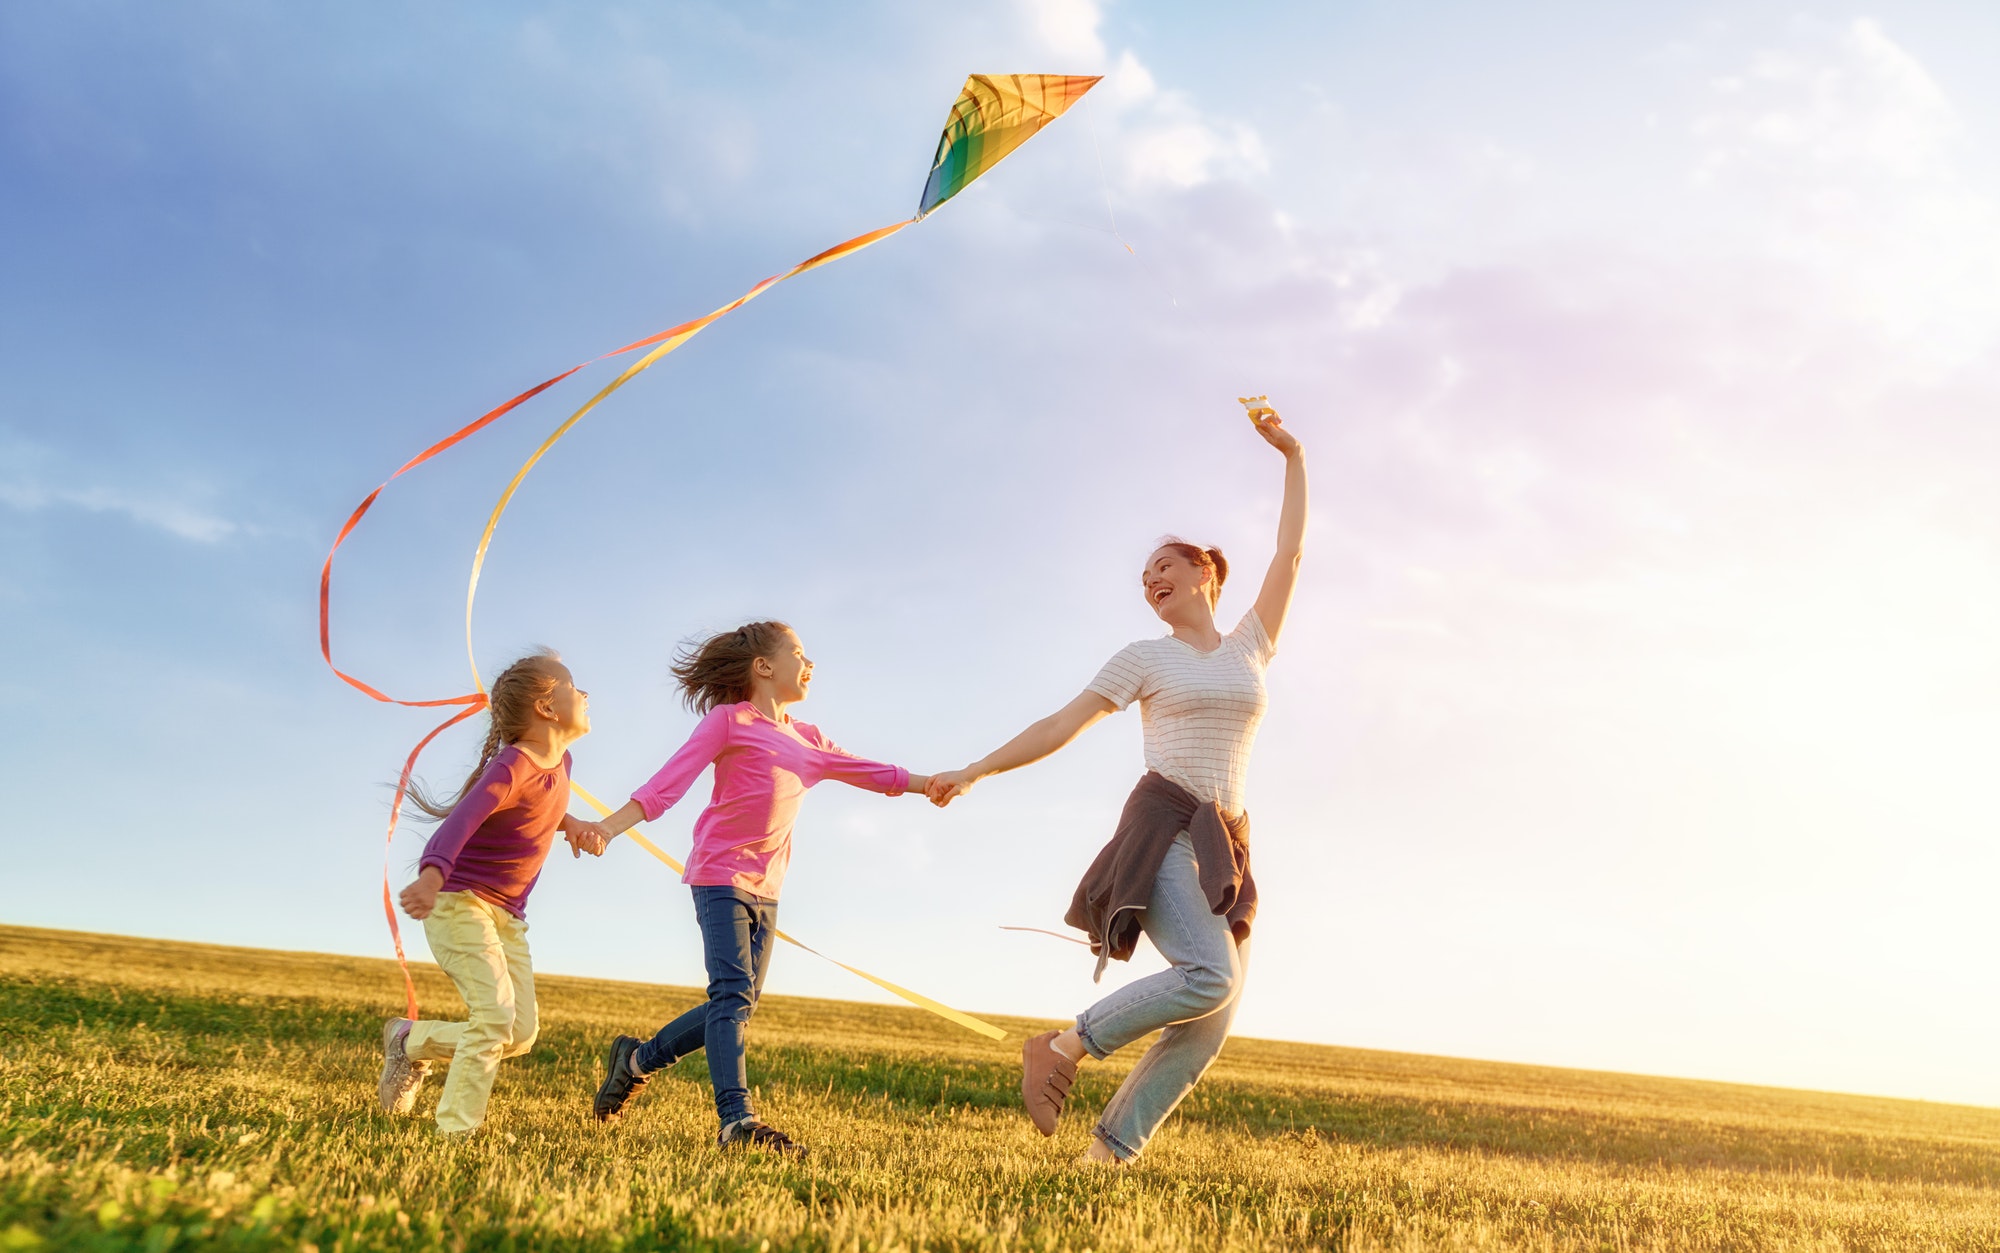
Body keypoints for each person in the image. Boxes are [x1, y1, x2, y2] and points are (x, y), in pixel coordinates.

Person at [926, 402, 1306, 1165]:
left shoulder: (1251, 645)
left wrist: (1292, 454)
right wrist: (975, 768)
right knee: (1208, 974)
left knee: (1209, 1019)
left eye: (1163, 567)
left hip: (1227, 843)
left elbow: (1290, 555)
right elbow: (1060, 723)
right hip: (1164, 828)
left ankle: (1106, 1160)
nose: (1150, 581)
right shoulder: (1142, 656)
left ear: (1204, 572)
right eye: (1143, 578)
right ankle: (1064, 1043)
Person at [570, 622, 933, 1157]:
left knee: (738, 1001)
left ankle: (636, 1061)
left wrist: (930, 784)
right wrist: (606, 827)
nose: (810, 664)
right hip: (719, 875)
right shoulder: (729, 721)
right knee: (732, 996)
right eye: (800, 654)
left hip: (769, 887)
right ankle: (737, 1122)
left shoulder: (809, 738)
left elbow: (866, 770)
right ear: (763, 667)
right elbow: (666, 784)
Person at [377, 650, 601, 1136]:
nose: (584, 694)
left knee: (518, 1034)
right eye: (572, 686)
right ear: (546, 707)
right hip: (458, 903)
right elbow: (459, 824)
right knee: (494, 1017)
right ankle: (456, 1132)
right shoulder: (509, 766)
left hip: (508, 916)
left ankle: (410, 1042)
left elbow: (536, 804)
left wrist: (572, 822)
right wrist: (432, 875)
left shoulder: (562, 761)